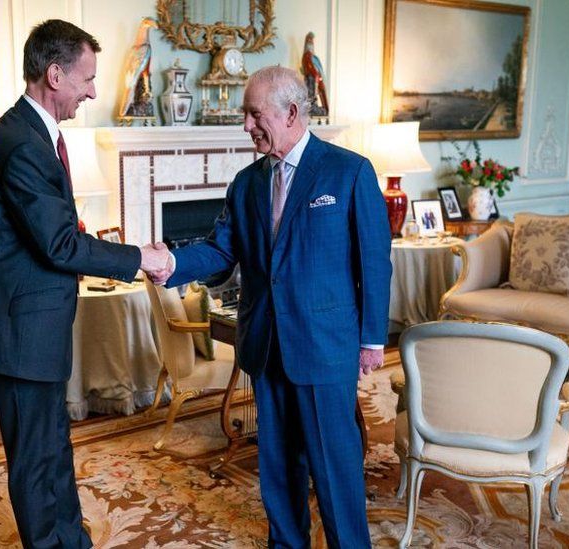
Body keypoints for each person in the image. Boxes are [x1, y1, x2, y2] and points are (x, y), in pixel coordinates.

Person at [143, 66, 391, 548]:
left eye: (254, 113)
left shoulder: (349, 171)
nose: (246, 125)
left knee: (334, 471)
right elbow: (220, 251)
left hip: (325, 348)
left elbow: (374, 261)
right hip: (265, 344)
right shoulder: (246, 183)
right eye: (245, 113)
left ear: (292, 112)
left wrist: (372, 338)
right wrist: (170, 260)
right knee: (277, 468)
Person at [0, 19, 168, 549]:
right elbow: (57, 245)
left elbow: (52, 233)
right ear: (54, 75)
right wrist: (138, 256)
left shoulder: (35, 135)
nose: (93, 91)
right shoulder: (22, 142)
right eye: (87, 78)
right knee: (35, 458)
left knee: (52, 444)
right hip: (21, 331)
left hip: (34, 326)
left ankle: (72, 541)